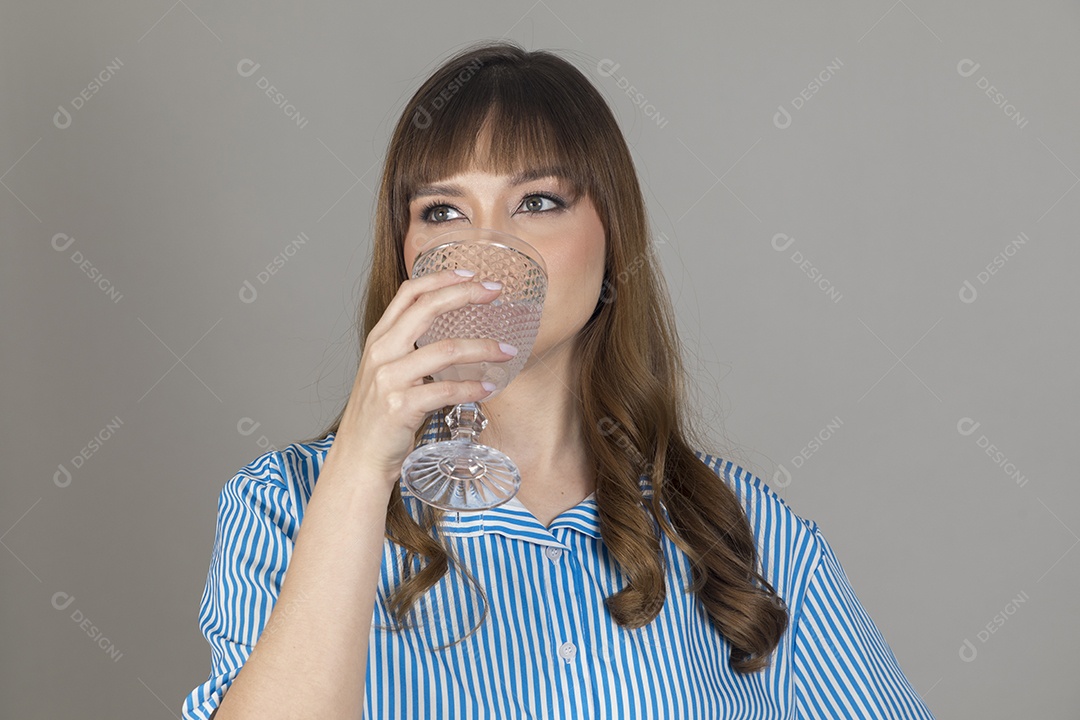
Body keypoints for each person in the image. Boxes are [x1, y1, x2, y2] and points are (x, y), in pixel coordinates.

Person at [181, 40, 936, 719]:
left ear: (613, 237)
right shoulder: (283, 504)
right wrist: (362, 463)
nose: (484, 250)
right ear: (406, 253)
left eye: (536, 203)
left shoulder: (742, 533)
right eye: (443, 211)